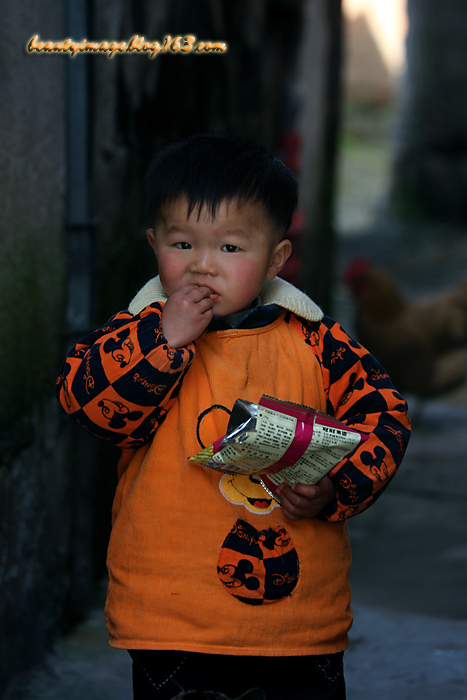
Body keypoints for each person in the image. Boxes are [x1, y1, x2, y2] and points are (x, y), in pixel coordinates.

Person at [56, 134, 411, 700]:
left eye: (229, 248)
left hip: (297, 625)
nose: (202, 266)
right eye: (181, 243)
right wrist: (163, 342)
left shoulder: (318, 342)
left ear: (275, 258)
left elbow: (385, 420)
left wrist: (334, 488)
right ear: (153, 245)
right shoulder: (135, 333)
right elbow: (88, 405)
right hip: (170, 622)